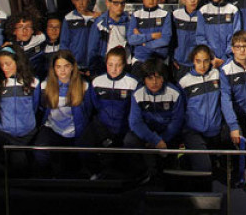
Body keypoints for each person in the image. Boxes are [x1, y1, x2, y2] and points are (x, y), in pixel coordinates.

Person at [0, 46, 38, 179]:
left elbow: (35, 105)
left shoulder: (33, 82)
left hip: (25, 134)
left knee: (19, 166)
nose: (4, 68)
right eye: (1, 64)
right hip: (3, 131)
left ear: (17, 62)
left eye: (8, 64)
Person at [79, 47, 138, 179]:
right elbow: (92, 106)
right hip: (102, 126)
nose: (114, 69)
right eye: (110, 65)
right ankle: (94, 173)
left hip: (124, 128)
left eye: (118, 65)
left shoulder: (133, 83)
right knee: (83, 143)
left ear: (124, 65)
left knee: (123, 151)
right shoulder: (97, 82)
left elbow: (134, 112)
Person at [179, 45, 241, 172]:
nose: (202, 65)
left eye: (206, 60)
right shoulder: (184, 82)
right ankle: (187, 158)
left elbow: (225, 100)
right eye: (198, 61)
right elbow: (180, 112)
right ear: (193, 61)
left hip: (216, 130)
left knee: (230, 168)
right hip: (195, 132)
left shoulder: (217, 75)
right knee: (204, 169)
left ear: (210, 60)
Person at [34, 50, 95, 177]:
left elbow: (88, 110)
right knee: (41, 153)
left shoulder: (85, 86)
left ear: (73, 67)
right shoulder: (44, 86)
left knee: (74, 167)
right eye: (58, 67)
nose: (62, 71)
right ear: (53, 68)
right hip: (52, 129)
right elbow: (40, 108)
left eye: (66, 66)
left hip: (75, 131)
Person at [125, 58, 185, 176]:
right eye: (150, 78)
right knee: (129, 141)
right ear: (144, 79)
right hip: (147, 133)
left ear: (164, 78)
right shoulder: (137, 94)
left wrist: (162, 140)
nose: (154, 82)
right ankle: (141, 174)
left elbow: (177, 122)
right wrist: (155, 140)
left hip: (168, 133)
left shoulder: (174, 93)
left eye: (158, 77)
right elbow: (135, 123)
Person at [196, 0, 242, 69]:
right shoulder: (203, 11)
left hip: (229, 60)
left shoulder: (233, 10)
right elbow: (200, 37)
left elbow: (236, 37)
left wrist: (225, 58)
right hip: (210, 61)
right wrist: (212, 57)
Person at [87, 0, 131, 75]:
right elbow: (92, 49)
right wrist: (93, 69)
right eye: (116, 3)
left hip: (126, 66)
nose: (119, 6)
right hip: (104, 66)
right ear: (107, 3)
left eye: (122, 3)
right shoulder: (100, 23)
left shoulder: (130, 20)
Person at [127, 0, 172, 64]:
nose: (151, 0)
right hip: (139, 59)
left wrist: (143, 43)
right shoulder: (136, 15)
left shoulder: (165, 15)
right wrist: (152, 36)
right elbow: (131, 40)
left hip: (160, 59)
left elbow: (165, 40)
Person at [60, 0, 100, 73]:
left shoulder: (97, 18)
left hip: (92, 64)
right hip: (74, 64)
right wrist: (68, 64)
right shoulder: (68, 18)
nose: (81, 3)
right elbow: (64, 43)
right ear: (73, 1)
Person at [5, 13, 48, 79]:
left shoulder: (41, 39)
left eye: (28, 26)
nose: (25, 30)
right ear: (13, 31)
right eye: (20, 27)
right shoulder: (9, 48)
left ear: (33, 30)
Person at [172, 0, 201, 79]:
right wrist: (172, 58)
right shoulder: (176, 15)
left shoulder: (202, 16)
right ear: (183, 0)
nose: (192, 1)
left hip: (196, 63)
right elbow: (171, 39)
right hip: (179, 63)